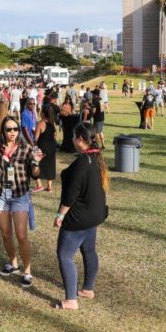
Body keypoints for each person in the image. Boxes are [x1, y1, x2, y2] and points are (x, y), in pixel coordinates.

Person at [0, 116, 43, 288]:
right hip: (1, 195)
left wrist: (36, 162)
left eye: (15, 129)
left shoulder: (26, 149)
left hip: (20, 195)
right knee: (6, 234)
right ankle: (13, 264)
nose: (12, 132)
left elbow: (35, 174)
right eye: (8, 129)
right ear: (3, 132)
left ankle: (27, 271)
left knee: (21, 235)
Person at [53, 122, 109, 310]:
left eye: (73, 136)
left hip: (79, 218)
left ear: (79, 139)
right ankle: (87, 289)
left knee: (64, 255)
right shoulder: (95, 156)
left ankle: (71, 300)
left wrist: (60, 216)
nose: (71, 139)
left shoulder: (82, 163)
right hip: (93, 215)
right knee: (88, 250)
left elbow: (70, 195)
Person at [34, 104, 58, 193]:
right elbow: (54, 135)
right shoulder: (52, 123)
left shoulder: (40, 123)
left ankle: (39, 185)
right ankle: (49, 187)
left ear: (43, 114)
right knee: (50, 165)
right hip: (52, 147)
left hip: (42, 147)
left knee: (35, 164)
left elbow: (35, 138)